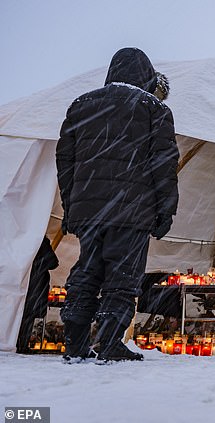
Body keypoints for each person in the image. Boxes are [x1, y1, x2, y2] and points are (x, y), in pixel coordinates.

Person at [56, 47, 179, 363]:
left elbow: (65, 161)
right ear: (146, 77)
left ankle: (75, 343)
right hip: (132, 211)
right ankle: (109, 342)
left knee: (87, 271)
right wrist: (165, 210)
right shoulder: (153, 109)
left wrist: (72, 206)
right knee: (122, 277)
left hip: (89, 212)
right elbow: (163, 164)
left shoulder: (81, 106)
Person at [16, 236, 59, 353]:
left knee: (19, 315)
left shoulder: (16, 238)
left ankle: (16, 343)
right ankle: (21, 344)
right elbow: (53, 262)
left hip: (22, 284)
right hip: (35, 285)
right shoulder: (40, 240)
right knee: (27, 316)